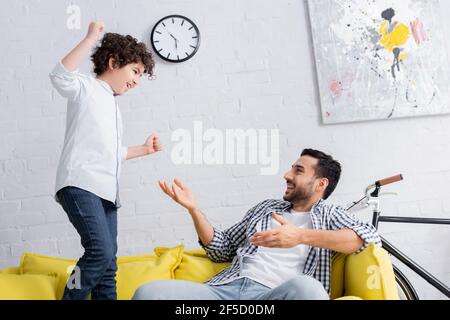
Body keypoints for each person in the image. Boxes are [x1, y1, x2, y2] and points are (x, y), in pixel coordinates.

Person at [132, 149, 381, 300]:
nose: (287, 175)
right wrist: (194, 210)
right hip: (224, 292)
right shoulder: (266, 208)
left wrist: (299, 236)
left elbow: (368, 237)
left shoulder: (329, 214)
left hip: (274, 295)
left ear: (320, 184)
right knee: (149, 293)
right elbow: (221, 248)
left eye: (298, 171)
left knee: (309, 288)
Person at [49, 21, 161, 300]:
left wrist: (143, 150)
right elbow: (59, 75)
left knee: (109, 264)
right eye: (135, 71)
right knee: (99, 252)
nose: (136, 80)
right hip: (80, 184)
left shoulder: (112, 105)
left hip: (107, 194)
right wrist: (90, 38)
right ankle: (70, 296)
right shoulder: (85, 87)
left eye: (140, 75)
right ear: (113, 62)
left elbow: (111, 152)